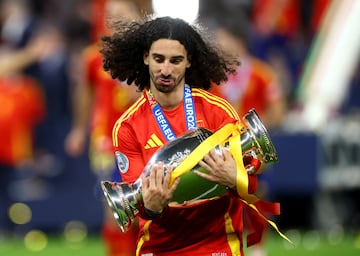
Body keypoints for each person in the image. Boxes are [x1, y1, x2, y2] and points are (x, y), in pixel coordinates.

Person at [100, 16, 281, 255]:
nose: (166, 69)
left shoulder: (218, 111)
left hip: (217, 245)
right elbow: (135, 207)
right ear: (145, 57)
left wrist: (235, 178)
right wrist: (152, 207)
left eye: (176, 61)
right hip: (161, 247)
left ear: (189, 61)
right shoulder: (127, 127)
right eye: (158, 59)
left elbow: (255, 183)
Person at [65, 0, 147, 255]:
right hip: (107, 141)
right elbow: (86, 94)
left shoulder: (149, 54)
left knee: (147, 206)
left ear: (136, 16)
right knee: (116, 207)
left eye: (122, 14)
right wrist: (79, 129)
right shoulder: (93, 56)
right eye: (110, 15)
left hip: (146, 138)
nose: (114, 20)